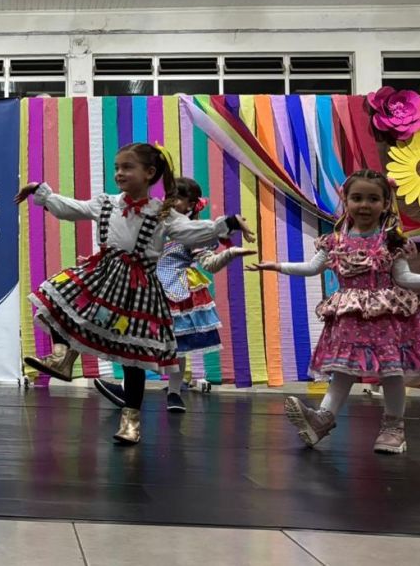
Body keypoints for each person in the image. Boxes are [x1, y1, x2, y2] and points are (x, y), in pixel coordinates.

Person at [17, 142, 253, 445]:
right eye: (117, 167)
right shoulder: (106, 203)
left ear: (149, 173)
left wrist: (228, 223)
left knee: (134, 354)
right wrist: (43, 193)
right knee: (61, 300)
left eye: (127, 167)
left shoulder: (162, 213)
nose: (119, 173)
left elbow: (193, 232)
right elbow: (72, 208)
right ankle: (62, 356)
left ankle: (131, 419)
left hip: (138, 288)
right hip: (104, 275)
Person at [249, 170, 420, 454]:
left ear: (385, 203)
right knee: (342, 371)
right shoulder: (335, 241)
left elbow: (403, 278)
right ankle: (322, 419)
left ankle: (394, 428)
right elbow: (311, 267)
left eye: (373, 199)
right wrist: (278, 266)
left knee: (391, 373)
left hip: (383, 318)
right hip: (348, 318)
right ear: (346, 200)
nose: (364, 205)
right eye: (357, 198)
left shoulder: (391, 242)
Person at [93, 177, 253, 412]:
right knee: (135, 341)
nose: (173, 201)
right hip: (144, 288)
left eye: (179, 198)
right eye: (171, 196)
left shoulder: (192, 232)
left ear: (191, 205)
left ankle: (174, 393)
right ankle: (127, 390)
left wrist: (230, 254)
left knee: (178, 346)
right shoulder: (153, 222)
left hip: (175, 292)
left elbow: (209, 264)